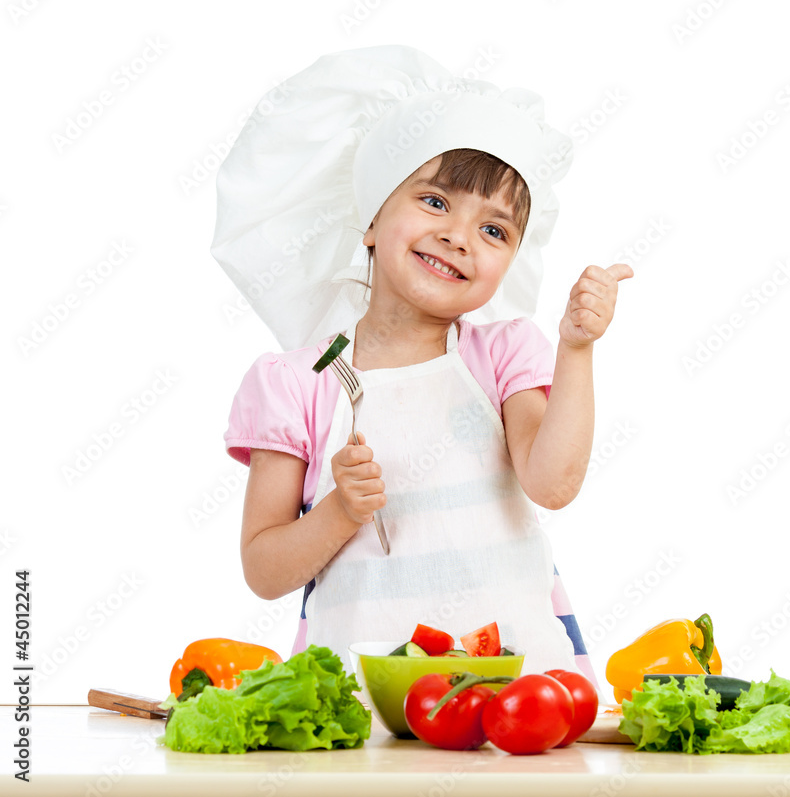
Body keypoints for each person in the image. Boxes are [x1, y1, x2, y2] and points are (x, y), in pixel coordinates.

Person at [211, 46, 631, 684]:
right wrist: (339, 512)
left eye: (494, 231)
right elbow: (264, 571)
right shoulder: (298, 384)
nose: (460, 236)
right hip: (360, 707)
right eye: (436, 203)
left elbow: (553, 484)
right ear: (371, 219)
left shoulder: (503, 357)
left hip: (515, 698)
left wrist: (576, 349)